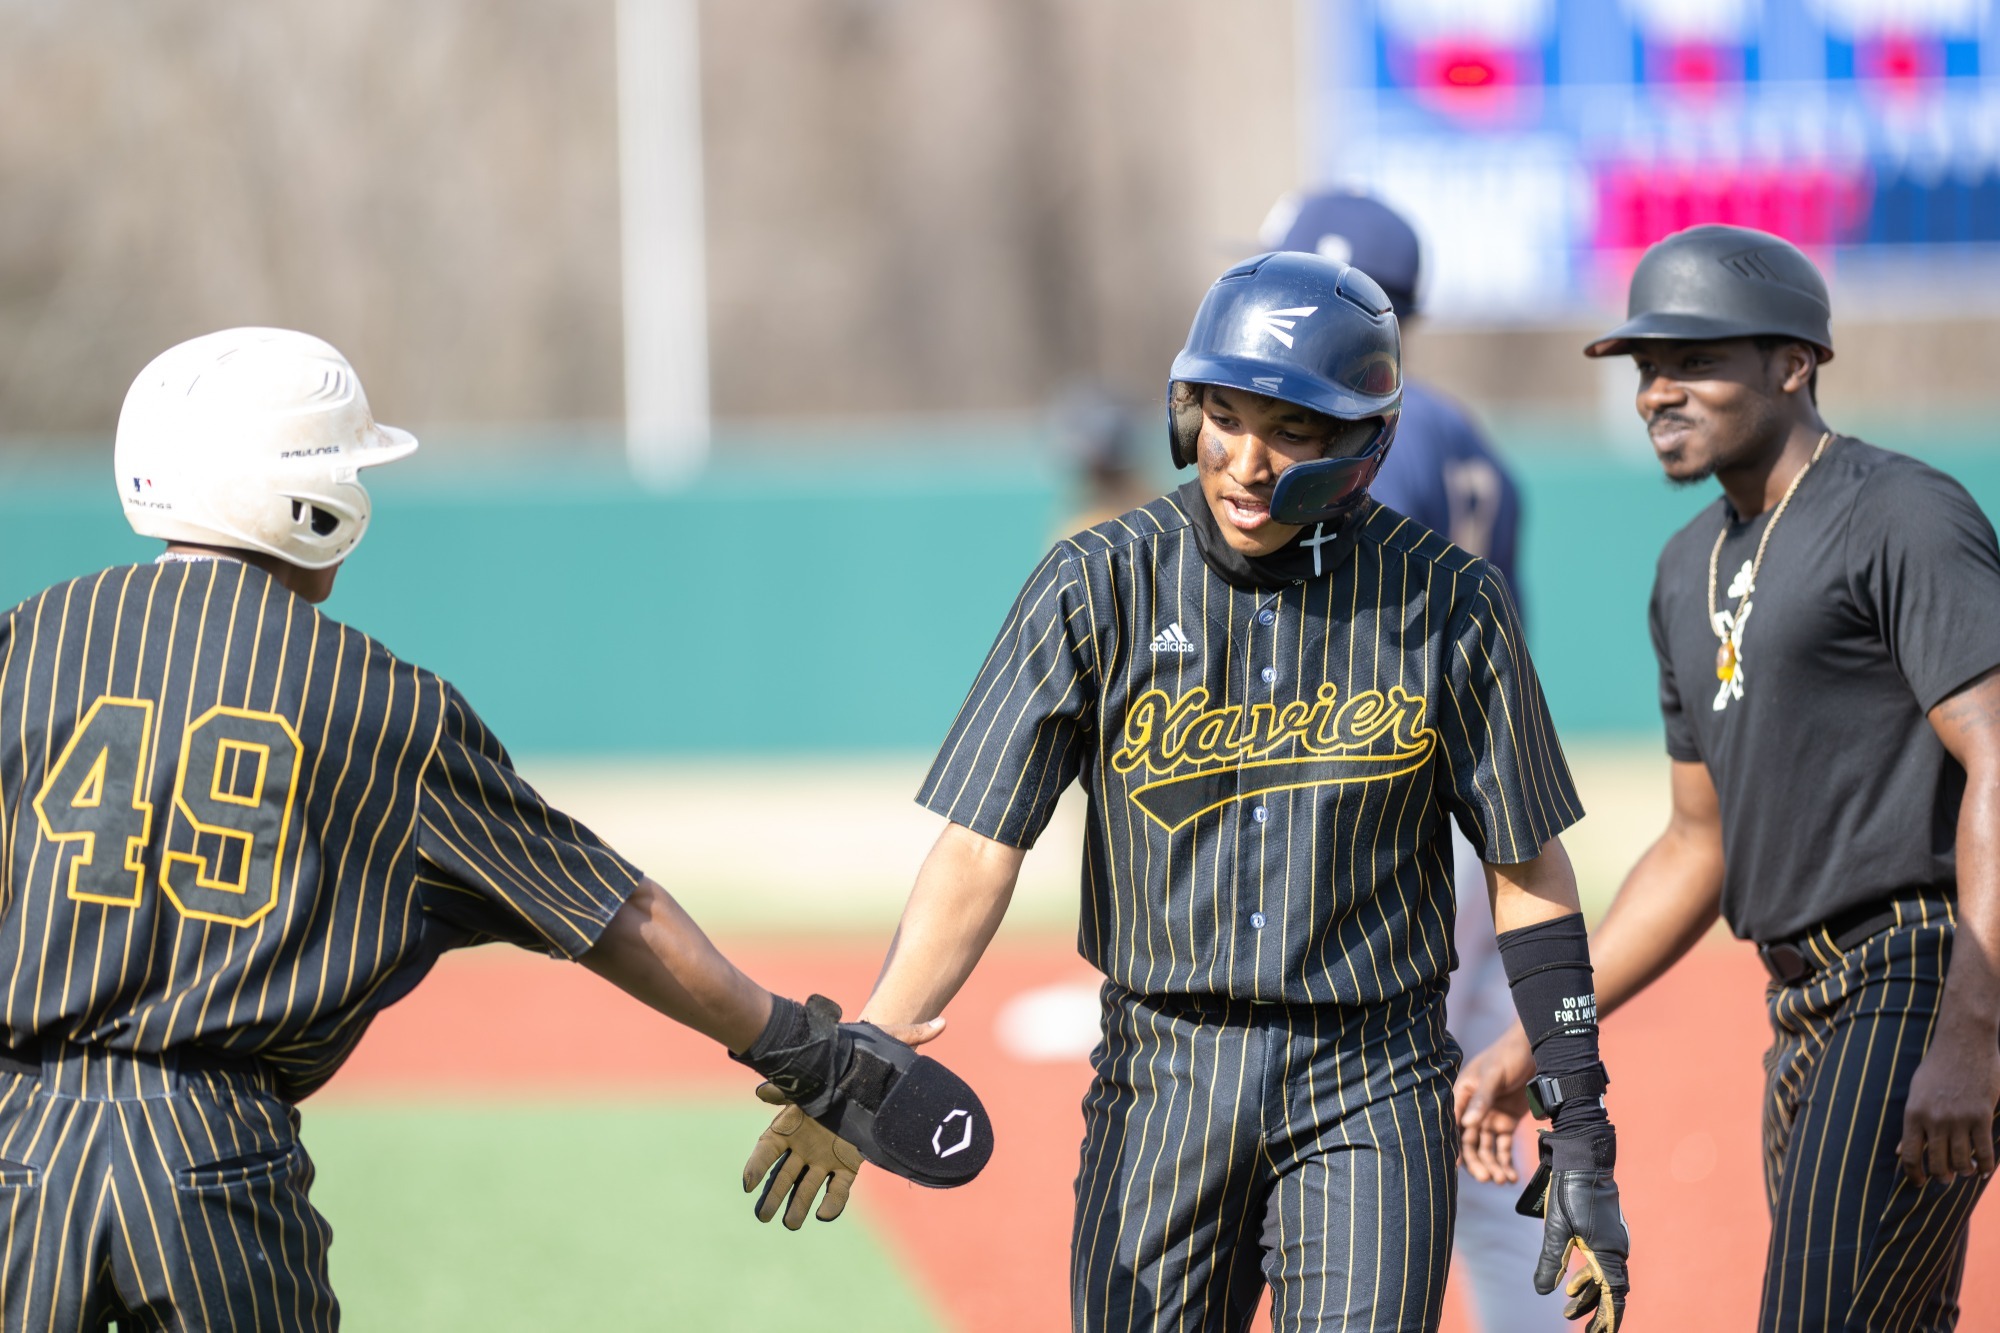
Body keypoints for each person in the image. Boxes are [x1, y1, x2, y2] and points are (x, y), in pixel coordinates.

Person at [0, 326, 987, 1327]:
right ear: (309, 498)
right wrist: (805, 1053)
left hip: (15, 1138)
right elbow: (613, 911)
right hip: (207, 1157)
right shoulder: (378, 702)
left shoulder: (29, 641)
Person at [745, 252, 1631, 1331]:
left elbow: (1527, 863)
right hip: (1162, 1073)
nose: (1246, 460)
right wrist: (867, 1053)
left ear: (1364, 440)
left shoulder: (1449, 601)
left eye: (1291, 429)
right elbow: (981, 843)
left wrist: (1577, 1118)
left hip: (1371, 1076)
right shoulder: (1098, 580)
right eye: (1221, 413)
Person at [1454, 223, 2000, 1331]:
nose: (1657, 390)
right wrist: (1543, 1032)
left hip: (1914, 971)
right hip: (1799, 1003)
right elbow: (1694, 846)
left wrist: (1971, 1028)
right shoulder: (1681, 567)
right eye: (1644, 366)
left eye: (1691, 360)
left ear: (1792, 363)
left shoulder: (1897, 512)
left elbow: (1998, 753)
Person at [1265, 188, 1564, 1333]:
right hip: (1473, 813)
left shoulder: (1364, 437)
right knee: (1476, 1100)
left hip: (1382, 818)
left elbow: (1334, 663)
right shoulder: (1467, 437)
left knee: (1355, 1118)